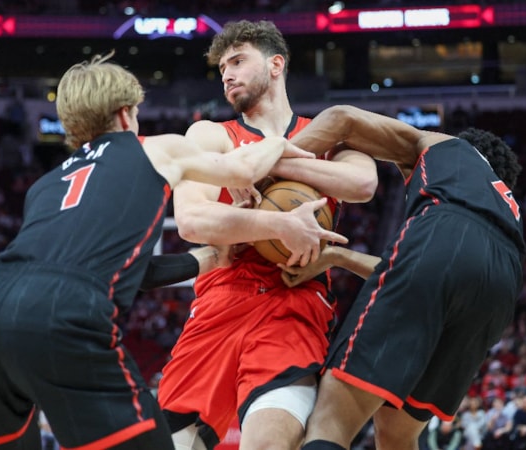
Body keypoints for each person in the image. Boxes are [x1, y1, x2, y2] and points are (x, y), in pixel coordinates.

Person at [0, 53, 343, 450]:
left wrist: (210, 259)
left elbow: (130, 270)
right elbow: (242, 169)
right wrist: (276, 141)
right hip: (61, 314)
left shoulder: (47, 184)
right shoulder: (154, 148)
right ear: (124, 114)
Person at [156, 20, 378, 450]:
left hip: (294, 301)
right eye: (222, 68)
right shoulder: (211, 134)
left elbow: (362, 185)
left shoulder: (330, 136)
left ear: (276, 65)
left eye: (238, 61)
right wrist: (279, 225)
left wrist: (263, 163)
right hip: (220, 299)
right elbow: (192, 221)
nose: (228, 75)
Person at [275, 105, 525, 450]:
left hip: (444, 240)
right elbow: (422, 269)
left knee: (331, 421)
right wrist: (336, 257)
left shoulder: (448, 146)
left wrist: (266, 170)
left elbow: (342, 118)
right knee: (397, 434)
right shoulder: (504, 203)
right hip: (503, 284)